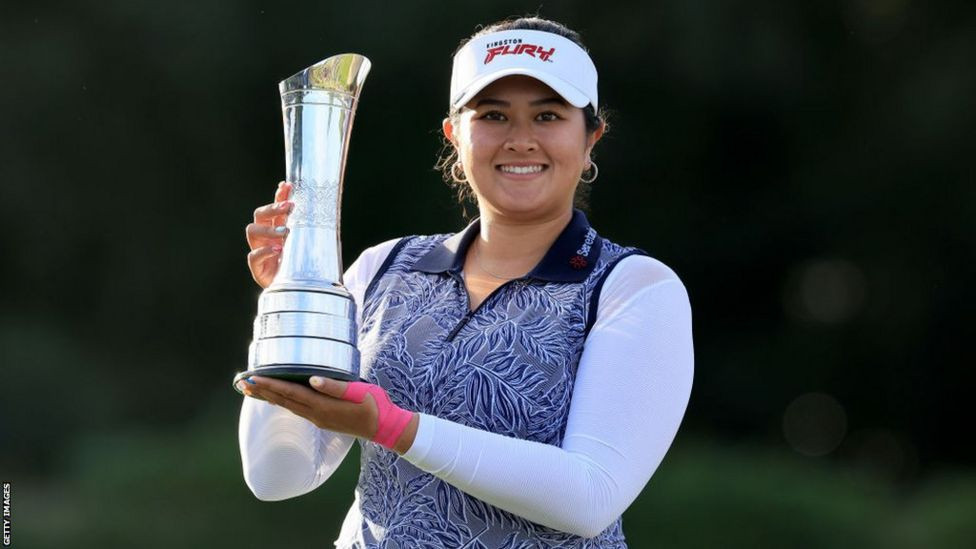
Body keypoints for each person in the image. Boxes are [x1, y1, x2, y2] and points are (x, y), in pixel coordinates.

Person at [238, 17, 694, 548]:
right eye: (494, 115)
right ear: (455, 135)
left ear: (591, 137)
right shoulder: (383, 269)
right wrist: (283, 307)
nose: (521, 140)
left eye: (547, 116)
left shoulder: (633, 288)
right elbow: (277, 477)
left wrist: (396, 428)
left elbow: (589, 496)